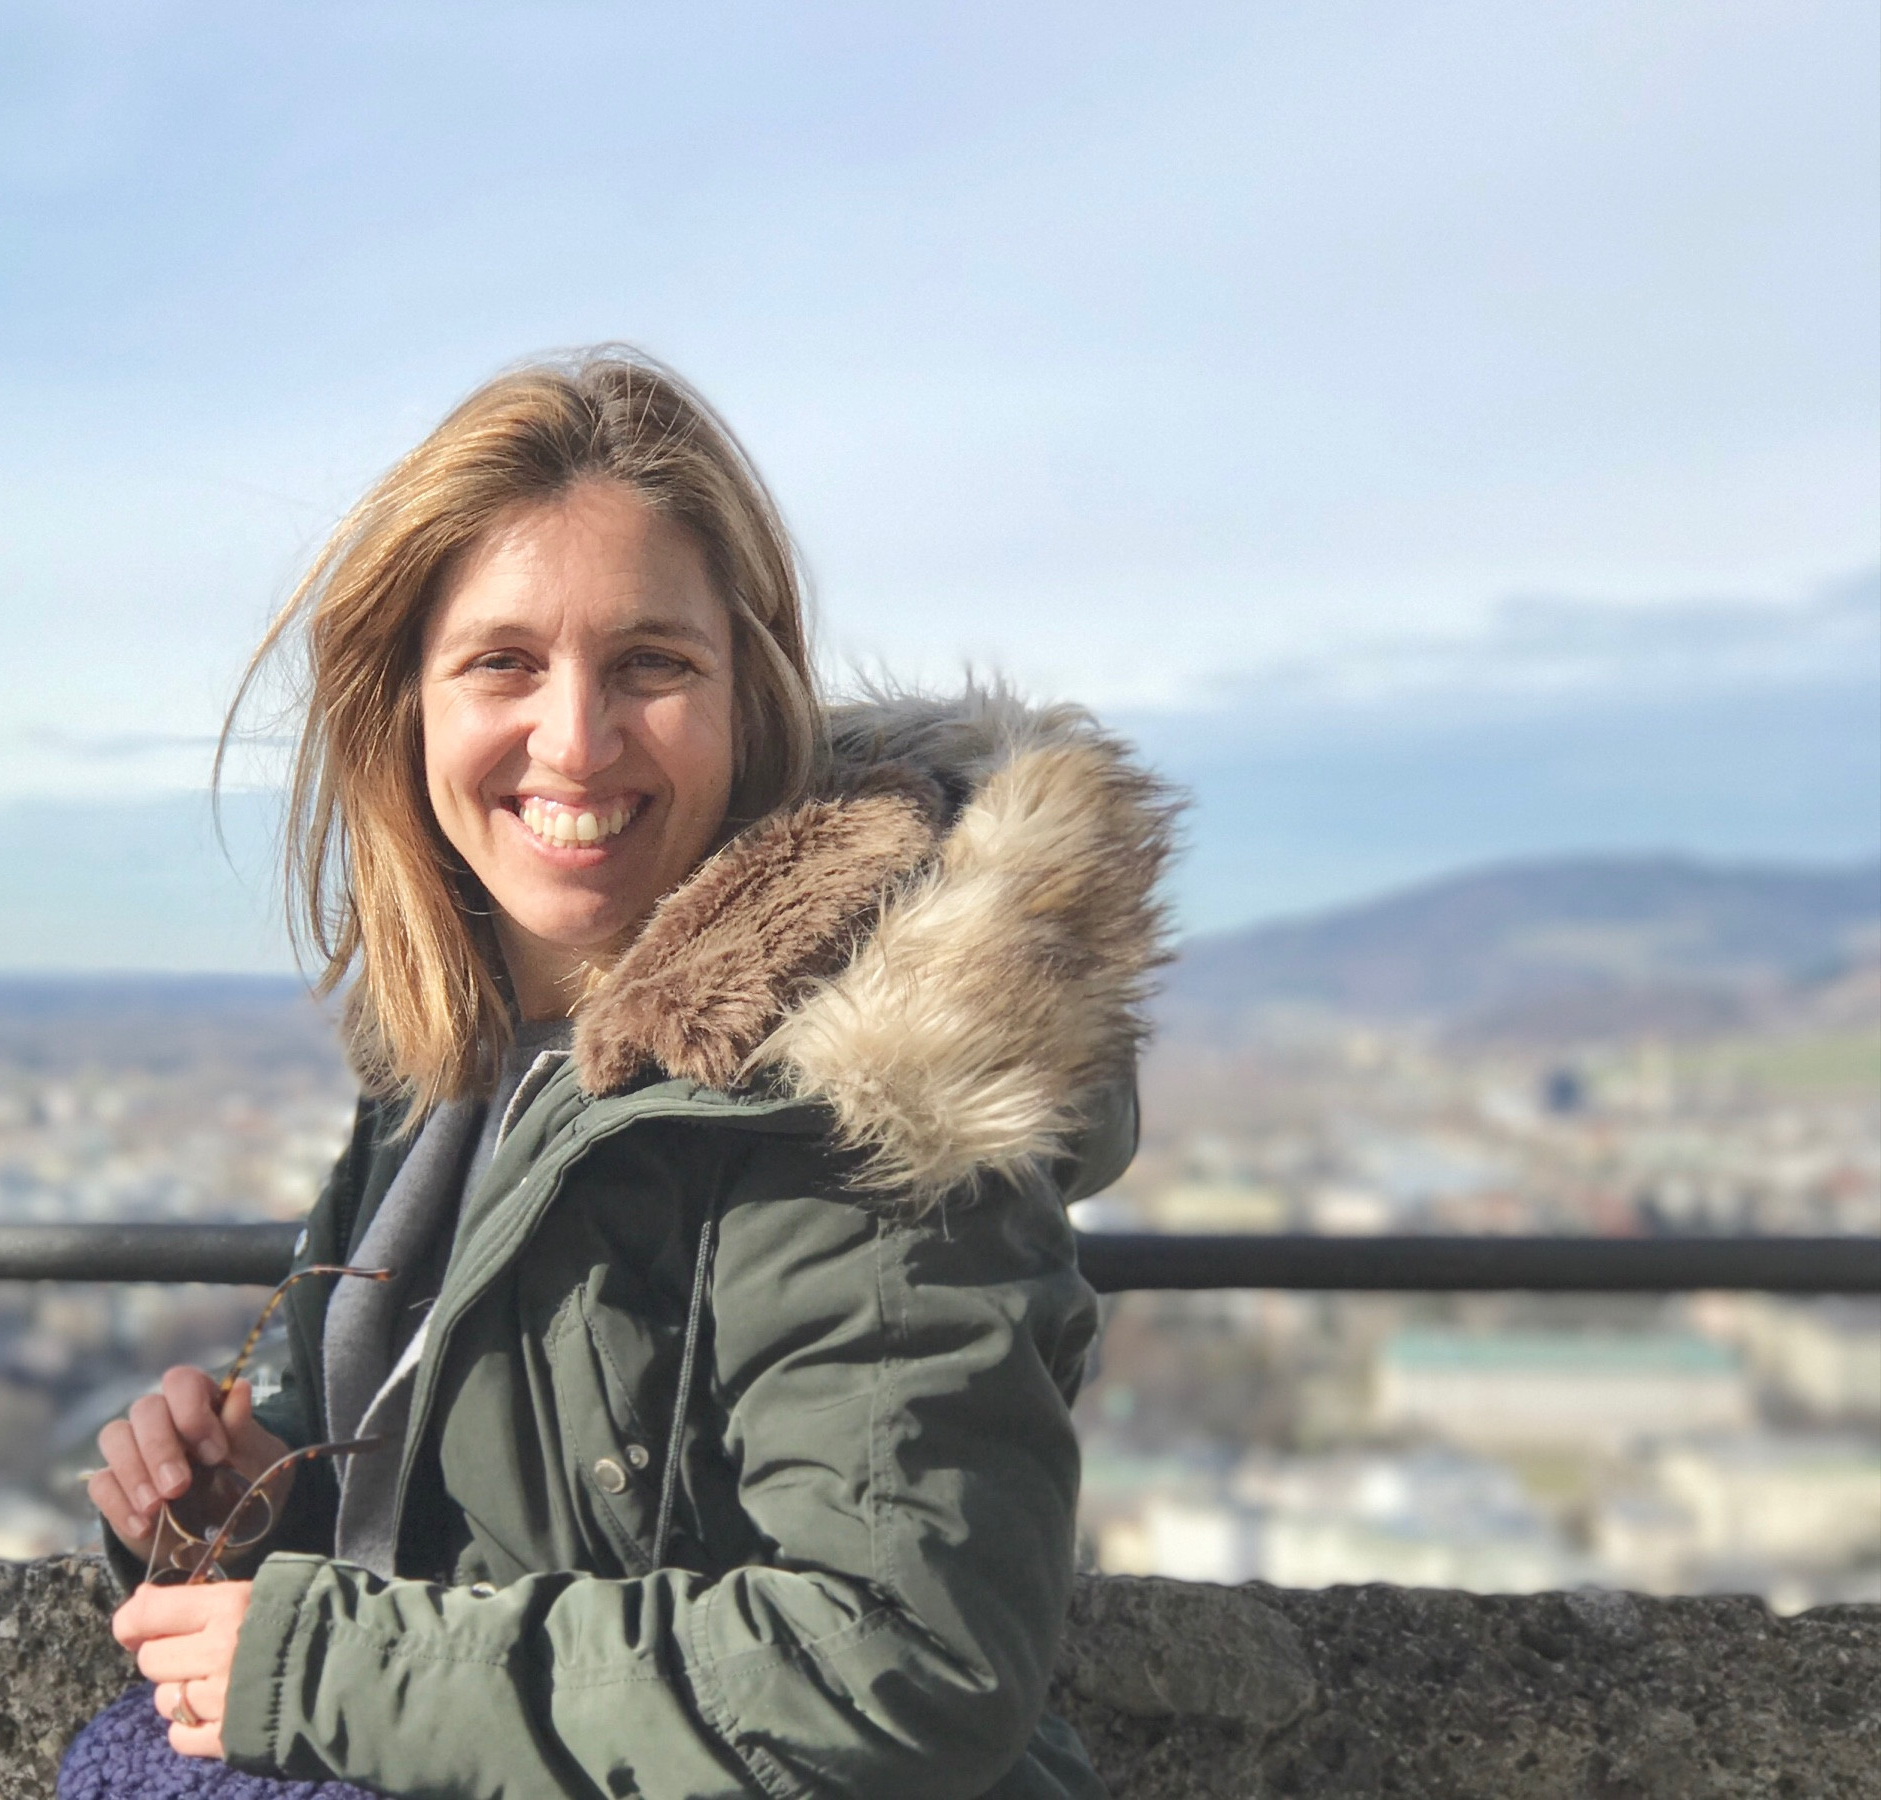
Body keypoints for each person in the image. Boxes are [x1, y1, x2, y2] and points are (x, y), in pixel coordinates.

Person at [64, 351, 1175, 1800]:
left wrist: (327, 1669)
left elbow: (900, 1662)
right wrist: (248, 1502)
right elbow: (458, 1540)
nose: (577, 741)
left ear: (747, 692)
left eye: (652, 663)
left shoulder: (860, 1088)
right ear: (405, 705)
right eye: (502, 661)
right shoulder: (457, 1058)